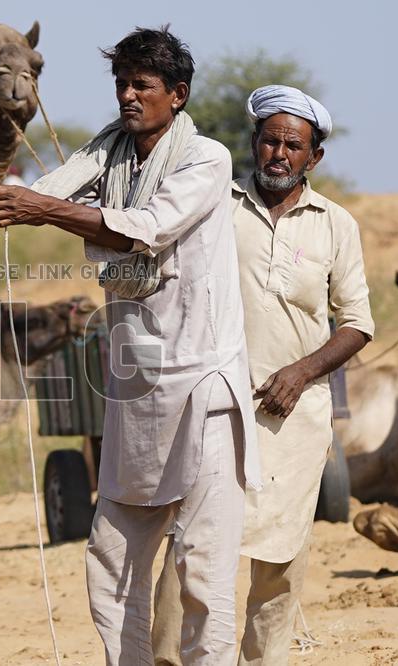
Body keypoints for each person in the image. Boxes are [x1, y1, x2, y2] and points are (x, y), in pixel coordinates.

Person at [0, 27, 260, 665]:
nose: (127, 95)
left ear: (176, 95)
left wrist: (37, 207)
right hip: (137, 390)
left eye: (141, 85)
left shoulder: (204, 159)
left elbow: (142, 230)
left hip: (203, 386)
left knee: (204, 570)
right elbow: (59, 185)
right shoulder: (109, 153)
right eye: (121, 82)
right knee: (112, 558)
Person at [149, 85, 374, 666]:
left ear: (313, 157)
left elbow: (357, 324)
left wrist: (301, 373)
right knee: (191, 546)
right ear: (253, 143)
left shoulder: (335, 225)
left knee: (281, 557)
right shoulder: (216, 202)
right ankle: (170, 659)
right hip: (214, 406)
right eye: (269, 140)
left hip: (293, 421)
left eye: (292, 145)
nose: (278, 153)